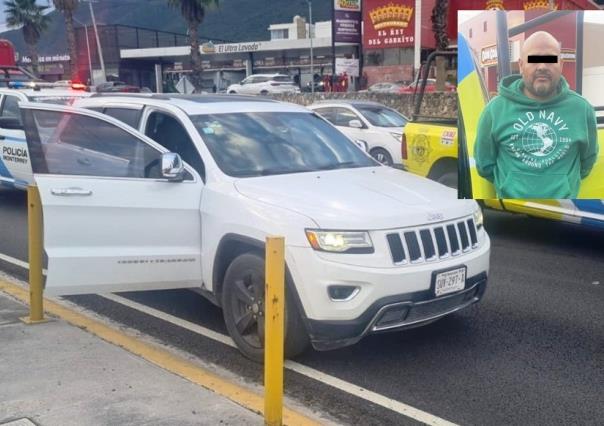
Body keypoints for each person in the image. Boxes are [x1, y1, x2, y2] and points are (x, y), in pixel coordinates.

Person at [474, 31, 598, 199]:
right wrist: (508, 183)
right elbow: (484, 165)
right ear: (521, 65)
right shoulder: (494, 111)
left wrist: (565, 184)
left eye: (550, 59)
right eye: (533, 59)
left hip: (564, 213)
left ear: (561, 65)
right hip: (511, 214)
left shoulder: (582, 110)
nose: (542, 66)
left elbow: (587, 161)